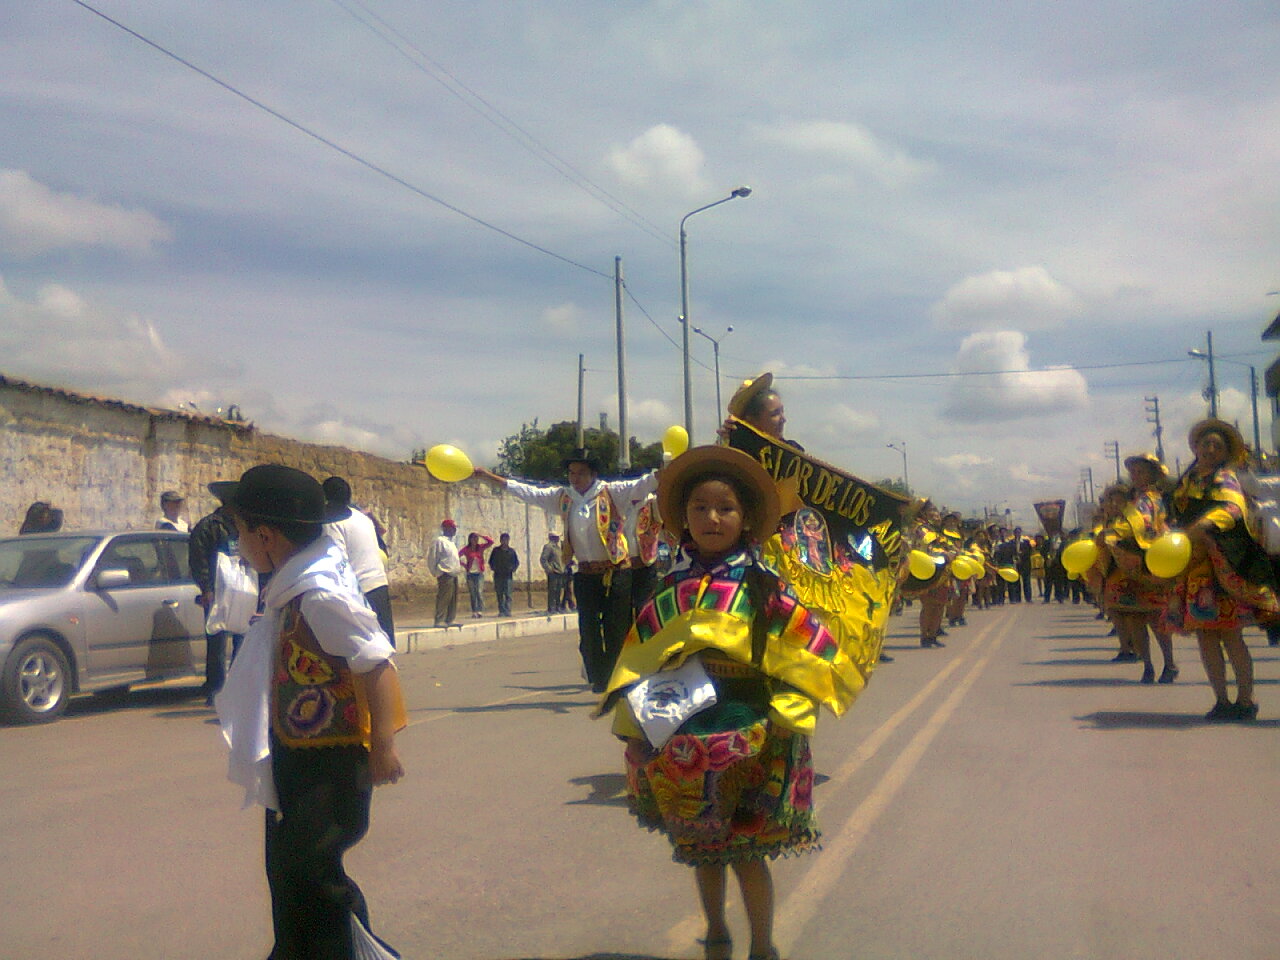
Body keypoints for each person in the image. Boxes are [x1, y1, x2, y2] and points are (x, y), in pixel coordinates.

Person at [598, 446, 857, 960]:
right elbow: (640, 662)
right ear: (683, 518)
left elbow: (811, 652)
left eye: (725, 508)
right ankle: (716, 934)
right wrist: (634, 728)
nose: (711, 518)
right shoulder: (672, 588)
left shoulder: (765, 587)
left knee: (746, 851)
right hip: (685, 737)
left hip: (752, 733)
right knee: (701, 849)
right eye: (700, 507)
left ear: (746, 520)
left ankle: (762, 946)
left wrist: (787, 716)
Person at [211, 464, 405, 960]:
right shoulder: (293, 585)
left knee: (310, 870)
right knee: (290, 870)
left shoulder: (319, 594)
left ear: (266, 536)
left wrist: (382, 749)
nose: (237, 541)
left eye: (239, 529)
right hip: (298, 754)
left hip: (330, 763)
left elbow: (376, 662)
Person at [475, 449, 658, 692]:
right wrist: (490, 477)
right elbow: (529, 492)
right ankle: (600, 677)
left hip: (616, 572)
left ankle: (616, 680)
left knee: (616, 629)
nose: (575, 478)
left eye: (581, 473)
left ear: (593, 474)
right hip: (585, 574)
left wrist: (672, 468)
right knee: (588, 630)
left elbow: (644, 484)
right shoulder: (563, 497)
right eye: (572, 473)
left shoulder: (612, 493)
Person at [1168, 419, 1280, 721]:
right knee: (1205, 636)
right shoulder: (1188, 481)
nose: (1210, 449)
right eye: (1206, 443)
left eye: (1217, 445)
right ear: (1196, 447)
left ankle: (1246, 699)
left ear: (1226, 452)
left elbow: (1233, 509)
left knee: (1230, 635)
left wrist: (1206, 524)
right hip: (1195, 567)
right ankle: (1221, 700)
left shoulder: (1226, 478)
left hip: (1223, 563)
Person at [189, 495, 249, 704]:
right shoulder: (208, 527)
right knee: (217, 641)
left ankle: (237, 688)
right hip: (217, 592)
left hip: (242, 589)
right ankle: (215, 689)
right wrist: (206, 588)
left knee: (243, 638)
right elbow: (198, 559)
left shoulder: (244, 526)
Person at [322, 477, 396, 644]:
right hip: (379, 584)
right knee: (384, 644)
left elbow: (337, 561)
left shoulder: (333, 522)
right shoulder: (362, 518)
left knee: (361, 648)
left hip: (358, 591)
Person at [427, 519, 462, 627]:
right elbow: (432, 557)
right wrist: (435, 572)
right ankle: (439, 619)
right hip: (445, 573)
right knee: (444, 597)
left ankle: (450, 619)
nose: (454, 530)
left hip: (453, 573)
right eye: (452, 528)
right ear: (445, 528)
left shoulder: (451, 543)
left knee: (453, 598)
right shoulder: (439, 541)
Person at [459, 532, 494, 618]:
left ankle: (480, 610)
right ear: (470, 540)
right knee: (473, 593)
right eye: (473, 538)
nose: (475, 540)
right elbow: (457, 556)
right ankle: (474, 611)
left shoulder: (480, 547)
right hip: (470, 574)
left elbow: (491, 542)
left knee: (479, 591)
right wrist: (464, 565)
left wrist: (481, 535)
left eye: (476, 538)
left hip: (479, 574)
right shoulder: (466, 549)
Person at [489, 532, 519, 617]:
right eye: (503, 540)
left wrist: (512, 569)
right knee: (499, 594)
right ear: (500, 540)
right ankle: (501, 611)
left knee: (508, 594)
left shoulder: (511, 551)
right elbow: (491, 561)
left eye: (506, 540)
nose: (505, 541)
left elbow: (516, 562)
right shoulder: (496, 551)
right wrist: (495, 568)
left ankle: (508, 610)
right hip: (498, 576)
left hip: (508, 576)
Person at [540, 532, 567, 613]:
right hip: (553, 572)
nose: (558, 538)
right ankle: (551, 608)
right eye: (557, 537)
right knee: (552, 591)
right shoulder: (548, 547)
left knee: (558, 591)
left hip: (560, 572)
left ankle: (557, 607)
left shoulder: (558, 547)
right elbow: (543, 559)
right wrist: (549, 569)